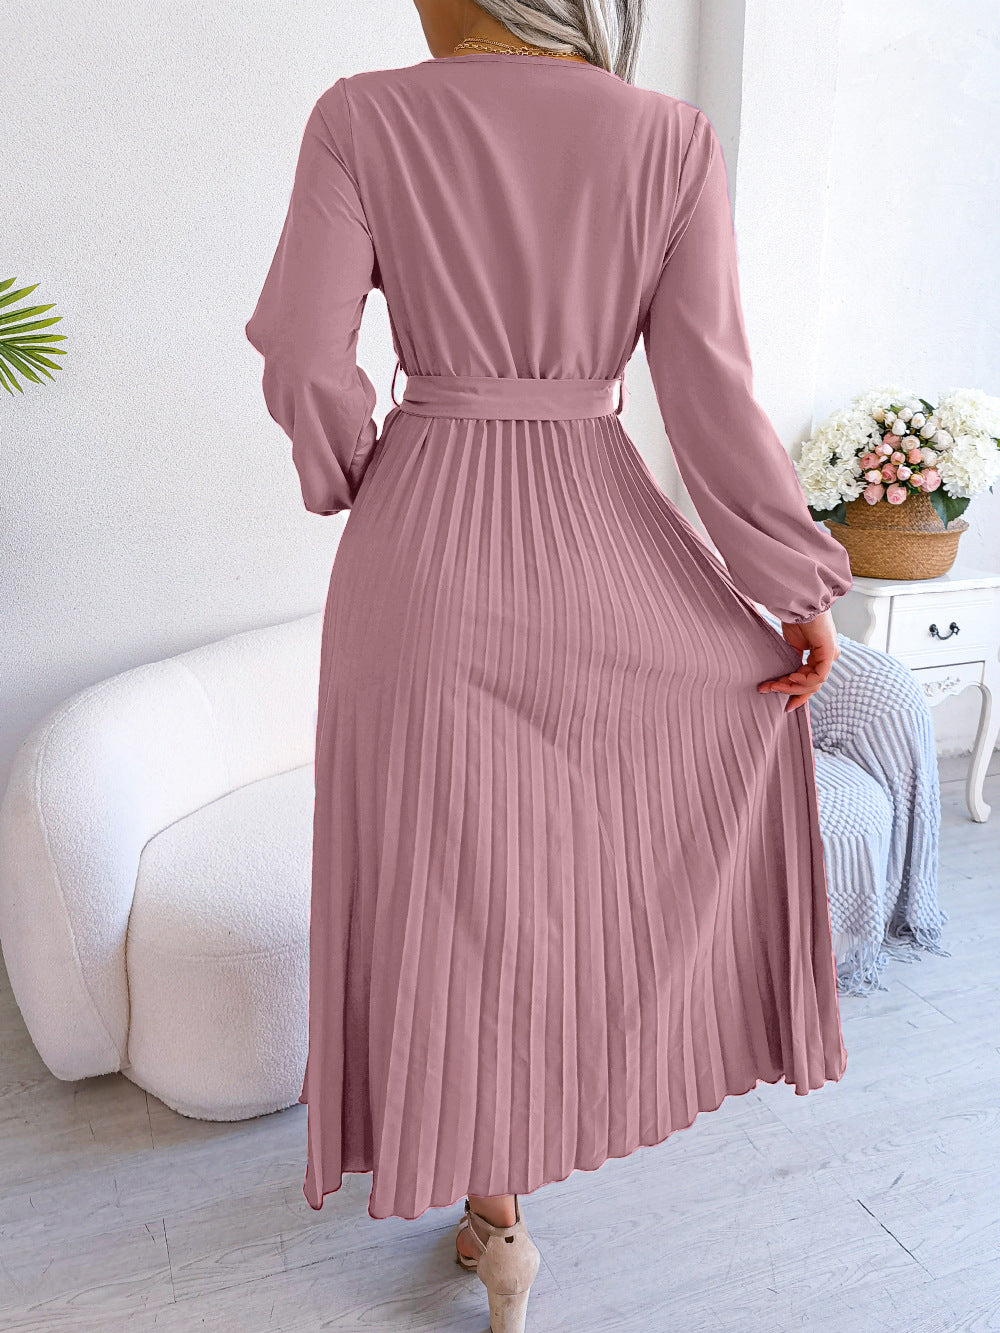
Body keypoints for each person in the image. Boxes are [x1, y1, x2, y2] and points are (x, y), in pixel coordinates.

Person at [244, 2, 853, 1328]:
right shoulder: (670, 138)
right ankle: (524, 1177)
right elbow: (707, 389)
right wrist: (792, 582)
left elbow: (301, 350)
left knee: (443, 888)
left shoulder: (362, 115)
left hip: (422, 553)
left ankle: (497, 1213)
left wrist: (356, 473)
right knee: (565, 874)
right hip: (600, 527)